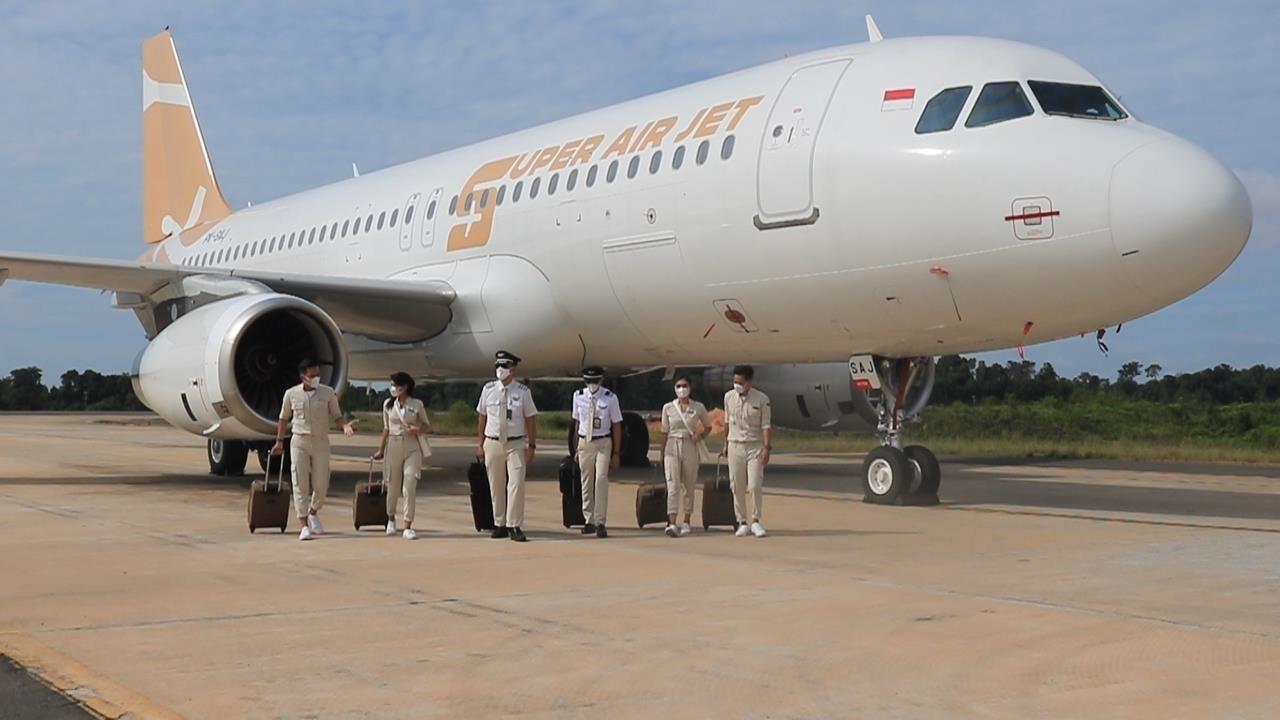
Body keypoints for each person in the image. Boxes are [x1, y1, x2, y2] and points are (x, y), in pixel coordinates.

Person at [271, 359, 355, 541]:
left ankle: (313, 511)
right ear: (303, 377)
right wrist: (279, 441)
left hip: (320, 441)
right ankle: (303, 525)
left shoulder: (328, 393)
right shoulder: (291, 394)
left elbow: (337, 415)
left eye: (318, 374)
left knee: (322, 483)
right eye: (312, 375)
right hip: (299, 441)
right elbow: (283, 418)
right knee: (299, 482)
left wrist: (345, 426)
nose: (316, 378)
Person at [475, 350, 538, 542]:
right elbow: (482, 417)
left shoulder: (523, 392)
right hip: (493, 442)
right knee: (496, 484)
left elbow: (530, 419)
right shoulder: (488, 390)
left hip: (515, 443)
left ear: (513, 368)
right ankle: (500, 523)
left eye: (504, 366)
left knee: (516, 483)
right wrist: (480, 444)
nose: (500, 369)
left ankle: (514, 525)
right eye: (498, 366)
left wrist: (532, 445)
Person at [372, 372, 431, 540]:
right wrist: (381, 450)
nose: (392, 388)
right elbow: (386, 428)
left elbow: (426, 424)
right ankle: (390, 518)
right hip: (393, 444)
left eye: (395, 385)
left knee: (409, 485)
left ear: (404, 387)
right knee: (392, 484)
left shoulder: (417, 404)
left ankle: (407, 525)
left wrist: (417, 429)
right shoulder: (388, 404)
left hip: (412, 446)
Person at [571, 366, 623, 538]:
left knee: (601, 479)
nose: (592, 384)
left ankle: (600, 522)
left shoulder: (610, 398)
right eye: (589, 381)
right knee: (586, 481)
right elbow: (577, 423)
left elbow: (616, 425)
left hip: (603, 442)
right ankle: (589, 520)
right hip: (585, 442)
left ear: (601, 380)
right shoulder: (578, 396)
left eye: (594, 381)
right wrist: (576, 448)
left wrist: (616, 452)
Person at [721, 365, 772, 538]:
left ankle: (756, 520)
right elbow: (727, 422)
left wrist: (767, 448)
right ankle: (742, 521)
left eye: (741, 382)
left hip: (754, 446)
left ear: (749, 382)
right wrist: (725, 444)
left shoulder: (762, 399)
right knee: (736, 485)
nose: (737, 385)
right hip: (734, 445)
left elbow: (766, 426)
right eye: (735, 381)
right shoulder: (728, 397)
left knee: (754, 484)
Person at [659, 375, 712, 538]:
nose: (681, 389)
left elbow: (708, 426)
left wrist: (700, 436)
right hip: (672, 445)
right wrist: (662, 453)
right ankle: (672, 522)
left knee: (689, 484)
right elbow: (664, 431)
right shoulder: (668, 407)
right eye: (678, 386)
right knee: (673, 485)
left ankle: (687, 520)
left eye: (684, 386)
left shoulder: (698, 407)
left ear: (690, 387)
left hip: (689, 445)